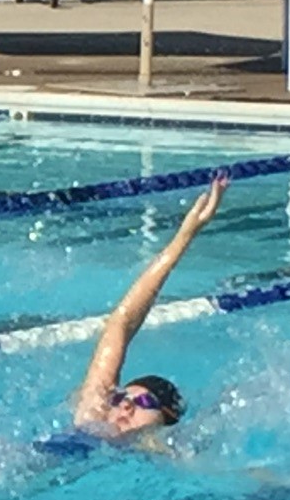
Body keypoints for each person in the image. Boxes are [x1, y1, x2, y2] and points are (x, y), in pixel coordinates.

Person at [67, 176, 227, 443]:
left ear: (166, 420)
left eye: (144, 401)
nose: (126, 406)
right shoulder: (92, 418)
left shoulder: (166, 456)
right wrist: (184, 236)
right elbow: (122, 321)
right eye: (119, 397)